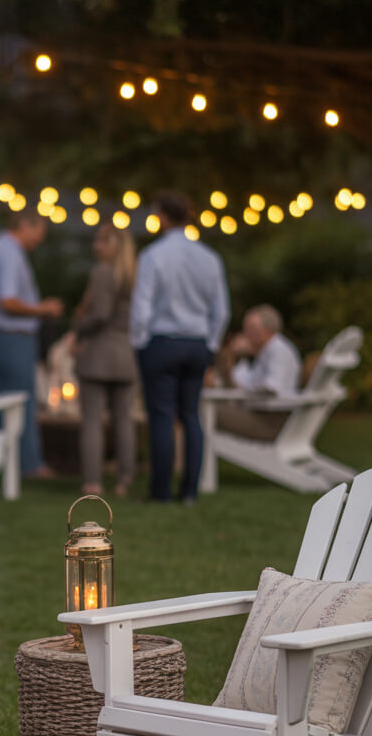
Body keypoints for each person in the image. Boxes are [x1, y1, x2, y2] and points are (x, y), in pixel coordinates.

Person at [129, 191, 230, 503]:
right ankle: (189, 491)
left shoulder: (153, 256)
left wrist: (138, 343)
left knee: (161, 417)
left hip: (161, 342)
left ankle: (160, 491)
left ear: (161, 215)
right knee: (190, 415)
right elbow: (221, 310)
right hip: (197, 343)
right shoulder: (209, 257)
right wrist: (211, 343)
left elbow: (141, 307)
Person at [0, 210, 64, 476]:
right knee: (19, 402)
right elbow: (7, 300)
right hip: (11, 339)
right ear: (25, 225)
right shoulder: (8, 253)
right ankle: (28, 465)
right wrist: (43, 309)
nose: (40, 239)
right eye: (39, 232)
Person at [72, 223, 137, 496]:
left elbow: (100, 314)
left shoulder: (102, 273)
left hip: (99, 353)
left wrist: (78, 326)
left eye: (102, 241)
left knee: (92, 420)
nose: (96, 246)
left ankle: (92, 481)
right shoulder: (134, 277)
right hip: (126, 354)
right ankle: (125, 479)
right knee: (124, 419)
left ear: (115, 246)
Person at [214, 304, 302, 440]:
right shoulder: (267, 351)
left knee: (204, 409)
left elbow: (271, 388)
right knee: (203, 408)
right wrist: (237, 356)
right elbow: (238, 384)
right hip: (264, 416)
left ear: (267, 330)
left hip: (269, 422)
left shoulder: (277, 351)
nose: (245, 334)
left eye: (250, 329)